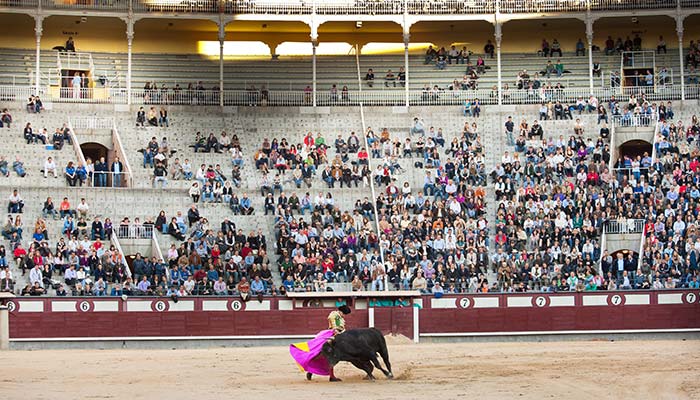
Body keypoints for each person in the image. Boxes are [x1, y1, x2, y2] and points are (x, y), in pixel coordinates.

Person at [290, 304, 351, 382]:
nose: (344, 316)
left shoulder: (338, 316)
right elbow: (335, 327)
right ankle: (329, 375)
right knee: (329, 355)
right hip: (332, 335)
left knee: (324, 356)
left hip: (335, 335)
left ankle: (312, 371)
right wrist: (338, 334)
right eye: (344, 314)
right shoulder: (335, 315)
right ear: (341, 311)